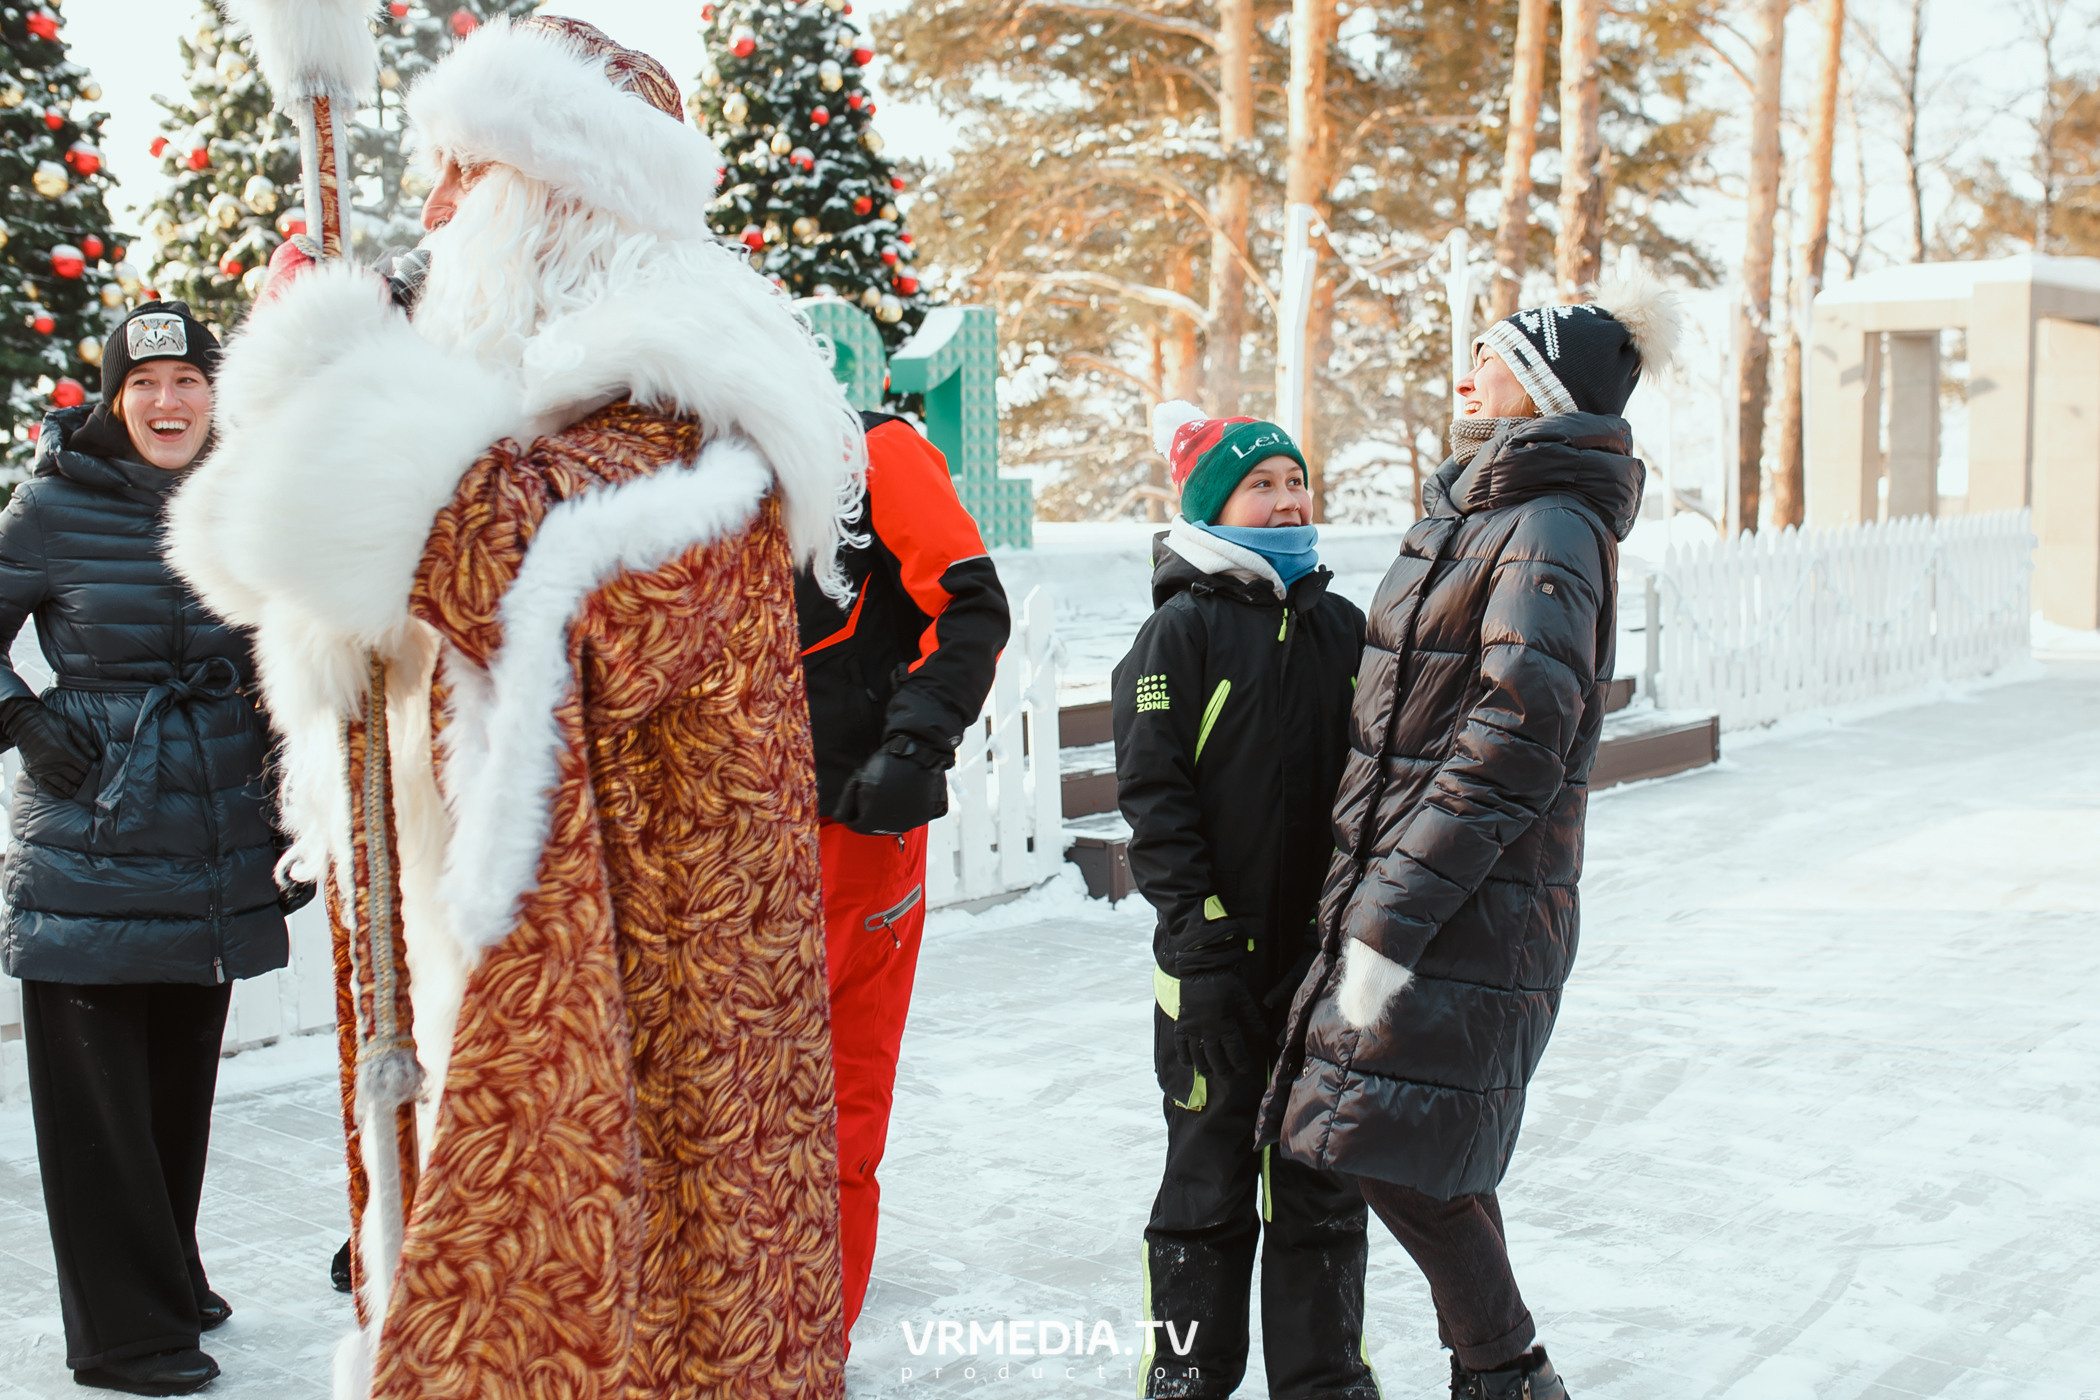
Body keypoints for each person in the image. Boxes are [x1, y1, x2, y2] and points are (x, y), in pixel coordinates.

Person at [164, 17, 855, 1399]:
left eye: (462, 172)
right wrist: (324, 412)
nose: (432, 213)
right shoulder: (539, 419)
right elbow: (350, 563)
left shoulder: (692, 426)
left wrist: (345, 396)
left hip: (652, 1053)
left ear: (566, 193)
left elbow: (521, 558)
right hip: (511, 1011)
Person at [1259, 273, 1680, 1400]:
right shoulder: (1488, 505)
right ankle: (1499, 1369)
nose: (1466, 375)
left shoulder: (1548, 523)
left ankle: (1508, 1369)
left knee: (1385, 1138)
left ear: (1540, 387)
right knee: (1408, 1131)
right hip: (1419, 875)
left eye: (1491, 358)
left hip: (1466, 893)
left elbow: (1519, 731)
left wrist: (1394, 900)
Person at [0, 300, 304, 1396]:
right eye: (145, 383)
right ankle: (124, 1335)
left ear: (216, 394)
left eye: (188, 381)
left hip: (217, 832)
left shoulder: (250, 495)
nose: (168, 402)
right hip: (93, 833)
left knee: (176, 1083)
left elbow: (294, 653)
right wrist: (25, 719)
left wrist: (294, 814)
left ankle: (166, 1277)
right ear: (114, 399)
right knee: (97, 1103)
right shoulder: (52, 505)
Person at [1112, 403, 1374, 1399]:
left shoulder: (1343, 628)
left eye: (1295, 479)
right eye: (1261, 483)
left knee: (1322, 1189)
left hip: (1324, 971)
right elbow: (1156, 799)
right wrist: (1201, 942)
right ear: (1213, 506)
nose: (1287, 497)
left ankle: (1326, 1382)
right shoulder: (1180, 632)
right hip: (1211, 970)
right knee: (1205, 1191)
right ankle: (1186, 1379)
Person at [795, 407, 1009, 1343]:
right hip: (716, 841)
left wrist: (915, 741)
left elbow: (969, 606)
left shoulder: (871, 449)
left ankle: (812, 1339)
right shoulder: (673, 472)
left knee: (839, 1099)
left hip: (853, 829)